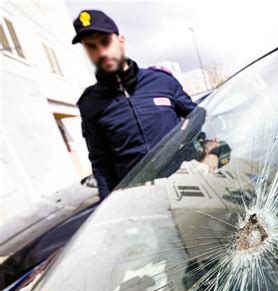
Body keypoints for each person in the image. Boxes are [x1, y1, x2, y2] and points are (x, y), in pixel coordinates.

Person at [72, 10, 197, 199]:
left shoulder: (162, 82)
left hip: (187, 188)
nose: (102, 52)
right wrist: (109, 207)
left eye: (105, 42)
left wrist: (212, 154)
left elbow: (199, 121)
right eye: (91, 46)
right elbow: (101, 164)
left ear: (120, 40)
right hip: (140, 200)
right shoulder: (90, 103)